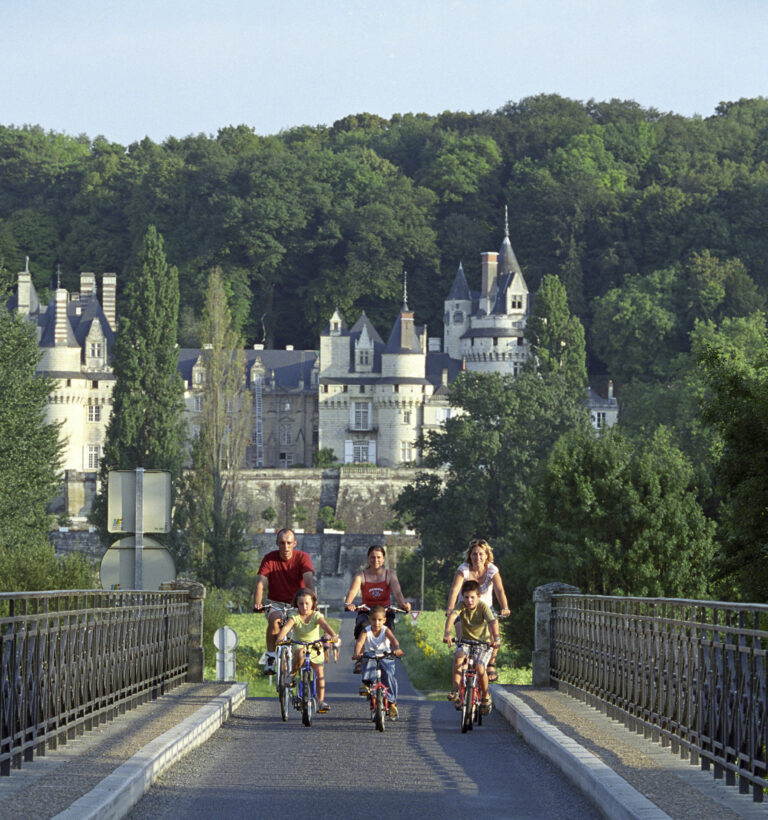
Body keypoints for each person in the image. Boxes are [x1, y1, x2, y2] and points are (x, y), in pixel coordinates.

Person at [444, 538, 509, 681]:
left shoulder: (492, 570)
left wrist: (504, 607)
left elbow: (499, 590)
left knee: (494, 627)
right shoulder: (463, 569)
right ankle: (462, 662)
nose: (477, 558)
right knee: (461, 638)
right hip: (465, 608)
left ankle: (491, 661)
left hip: (485, 608)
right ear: (470, 555)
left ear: (487, 555)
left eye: (481, 554)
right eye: (474, 554)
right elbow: (455, 590)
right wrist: (450, 608)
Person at [253, 528, 314, 675]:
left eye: (288, 543)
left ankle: (293, 674)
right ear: (277, 543)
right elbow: (261, 582)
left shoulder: (302, 557)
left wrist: (312, 601)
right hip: (276, 603)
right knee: (275, 620)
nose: (285, 547)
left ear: (294, 543)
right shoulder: (270, 559)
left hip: (297, 604)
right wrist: (258, 602)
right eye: (282, 543)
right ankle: (271, 656)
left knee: (300, 641)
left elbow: (308, 580)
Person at [344, 544, 411, 672]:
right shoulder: (361, 576)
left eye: (379, 557)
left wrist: (403, 604)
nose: (376, 560)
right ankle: (360, 658)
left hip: (385, 612)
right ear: (368, 559)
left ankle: (389, 656)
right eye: (373, 557)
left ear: (384, 558)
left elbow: (397, 593)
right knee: (362, 627)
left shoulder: (390, 575)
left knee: (389, 629)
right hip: (367, 612)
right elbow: (352, 592)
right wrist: (349, 604)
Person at [276, 588, 339, 714]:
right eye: (301, 604)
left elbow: (325, 625)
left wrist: (333, 634)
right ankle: (292, 675)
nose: (304, 607)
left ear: (313, 604)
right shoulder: (295, 617)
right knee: (299, 653)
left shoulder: (316, 615)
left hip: (315, 647)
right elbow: (286, 628)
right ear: (296, 604)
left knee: (320, 674)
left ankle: (321, 702)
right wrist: (280, 638)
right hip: (299, 645)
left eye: (307, 603)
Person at [443, 579, 500, 715]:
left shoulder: (483, 607)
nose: (469, 600)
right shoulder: (461, 605)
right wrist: (447, 633)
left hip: (483, 643)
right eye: (466, 597)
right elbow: (452, 617)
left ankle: (485, 695)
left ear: (479, 597)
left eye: (472, 597)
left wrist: (496, 638)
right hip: (466, 641)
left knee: (480, 668)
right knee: (458, 657)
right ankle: (456, 689)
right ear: (462, 597)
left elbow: (492, 622)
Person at [352, 604, 404, 719]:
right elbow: (360, 643)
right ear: (369, 619)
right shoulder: (366, 631)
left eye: (380, 620)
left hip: (385, 654)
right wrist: (357, 653)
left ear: (384, 620)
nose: (377, 623)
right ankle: (367, 683)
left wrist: (396, 649)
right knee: (367, 661)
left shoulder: (386, 630)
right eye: (374, 620)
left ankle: (392, 703)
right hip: (370, 654)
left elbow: (394, 641)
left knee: (389, 676)